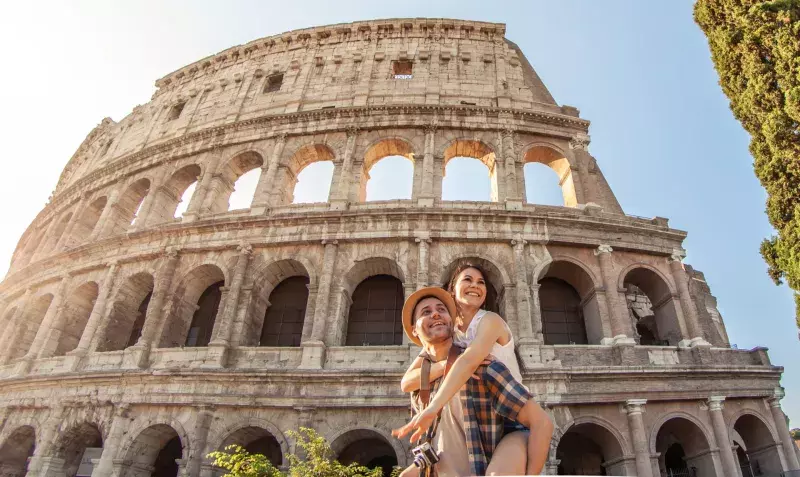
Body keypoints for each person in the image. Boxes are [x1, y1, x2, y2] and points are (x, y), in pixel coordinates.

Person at [392, 286, 553, 476]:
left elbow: (541, 422)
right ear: (414, 331)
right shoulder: (422, 386)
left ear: (452, 324)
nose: (435, 314)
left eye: (441, 310)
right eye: (426, 312)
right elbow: (436, 441)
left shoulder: (482, 366)